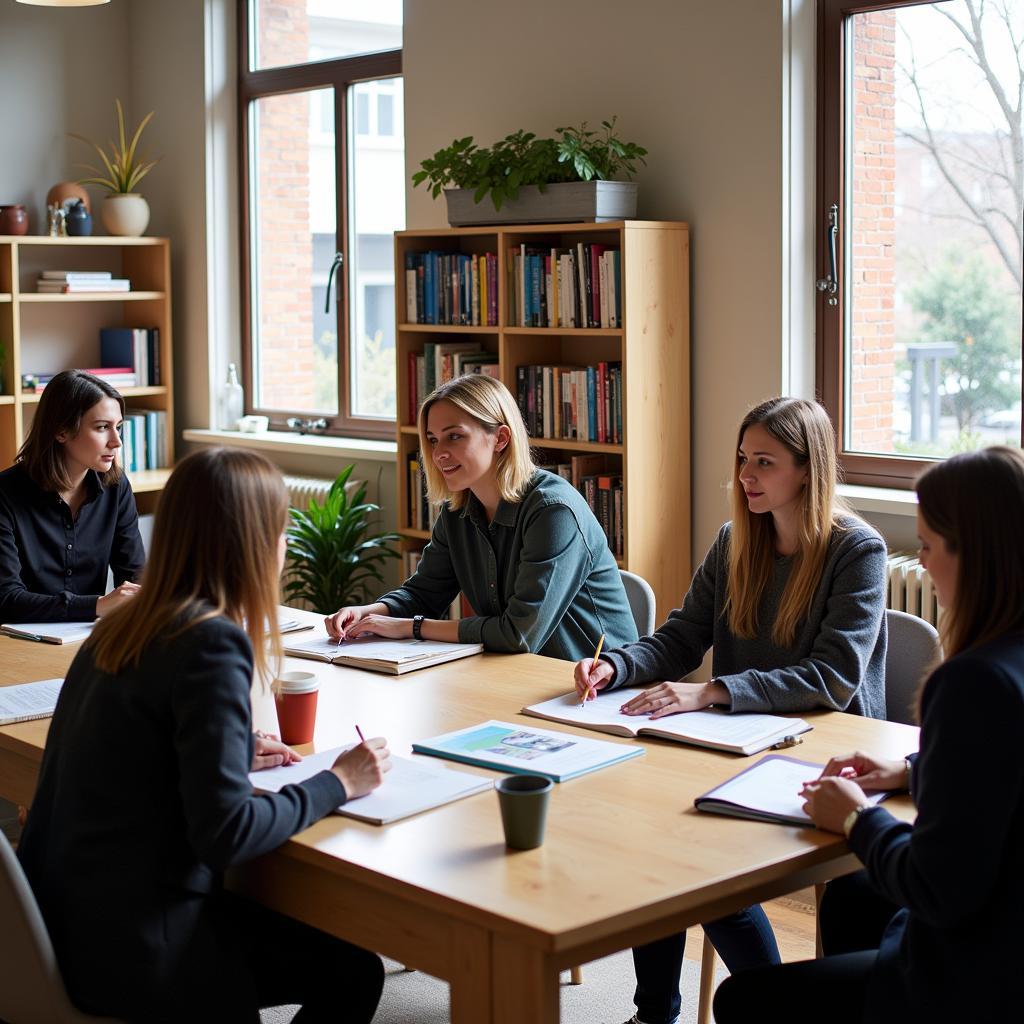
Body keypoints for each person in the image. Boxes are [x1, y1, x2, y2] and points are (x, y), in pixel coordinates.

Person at [17, 447, 391, 1023]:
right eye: (280, 531)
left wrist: (233, 749)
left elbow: (144, 743)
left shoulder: (120, 627)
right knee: (354, 970)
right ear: (255, 542)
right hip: (138, 953)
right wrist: (339, 782)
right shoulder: (212, 642)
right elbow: (227, 835)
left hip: (57, 932)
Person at [573, 396, 888, 1024]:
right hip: (736, 740)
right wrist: (618, 666)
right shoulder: (734, 540)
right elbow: (683, 636)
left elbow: (832, 678)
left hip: (827, 751)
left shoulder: (858, 551)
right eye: (743, 459)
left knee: (699, 864)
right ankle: (653, 1013)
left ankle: (773, 1006)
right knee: (658, 846)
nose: (745, 476)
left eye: (764, 463)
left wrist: (712, 691)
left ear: (808, 469)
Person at [713, 445, 1024, 1024]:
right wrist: (911, 772)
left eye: (930, 547)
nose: (924, 564)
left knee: (740, 1001)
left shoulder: (973, 683)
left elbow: (937, 889)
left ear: (978, 556)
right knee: (855, 898)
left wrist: (856, 817)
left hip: (981, 974)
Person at [325, 373, 637, 660]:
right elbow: (424, 592)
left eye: (454, 437)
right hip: (516, 676)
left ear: (500, 438)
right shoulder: (457, 510)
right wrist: (368, 613)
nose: (438, 454)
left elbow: (518, 635)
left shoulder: (553, 511)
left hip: (594, 689)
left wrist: (411, 627)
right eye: (433, 440)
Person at [0, 369, 145, 622]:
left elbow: (134, 575)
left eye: (118, 427)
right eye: (102, 428)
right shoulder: (5, 494)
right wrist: (97, 605)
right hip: (17, 645)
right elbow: (6, 599)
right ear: (61, 431)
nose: (117, 441)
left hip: (87, 638)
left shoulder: (116, 487)